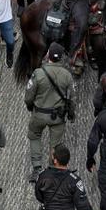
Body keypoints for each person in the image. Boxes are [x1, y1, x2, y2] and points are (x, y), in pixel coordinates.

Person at [25, 42, 74, 181]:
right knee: (56, 144)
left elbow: (29, 94)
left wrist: (30, 106)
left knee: (34, 136)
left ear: (48, 55)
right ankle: (53, 169)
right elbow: (72, 98)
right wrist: (71, 114)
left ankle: (37, 168)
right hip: (58, 116)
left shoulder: (38, 73)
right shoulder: (67, 75)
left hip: (39, 114)